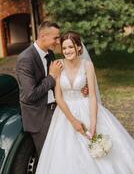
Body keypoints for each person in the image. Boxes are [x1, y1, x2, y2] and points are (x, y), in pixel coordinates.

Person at [36, 31, 134, 174]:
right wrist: (74, 121)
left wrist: (93, 124)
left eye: (70, 47)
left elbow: (92, 96)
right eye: (64, 48)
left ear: (78, 47)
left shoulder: (87, 65)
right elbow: (58, 97)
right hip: (65, 114)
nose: (67, 51)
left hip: (86, 107)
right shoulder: (57, 65)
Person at [16, 21, 62, 156]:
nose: (58, 42)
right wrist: (52, 77)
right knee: (48, 157)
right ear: (43, 36)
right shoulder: (25, 59)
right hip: (39, 117)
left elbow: (57, 82)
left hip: (56, 111)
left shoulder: (50, 54)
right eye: (55, 38)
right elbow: (31, 95)